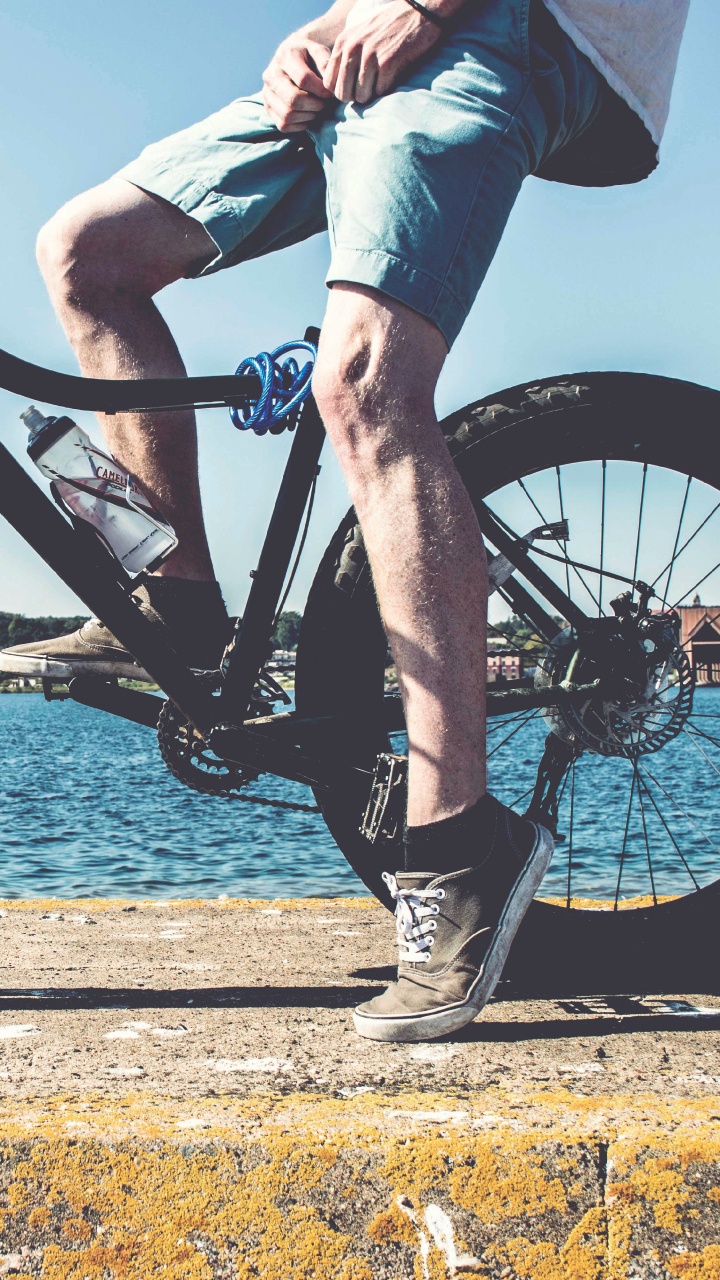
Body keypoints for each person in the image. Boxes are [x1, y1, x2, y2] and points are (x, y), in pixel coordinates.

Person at [0, 0, 689, 1041]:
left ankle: (459, 846)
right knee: (87, 253)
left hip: (519, 26)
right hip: (383, 38)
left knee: (365, 381)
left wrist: (419, 6)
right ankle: (177, 607)